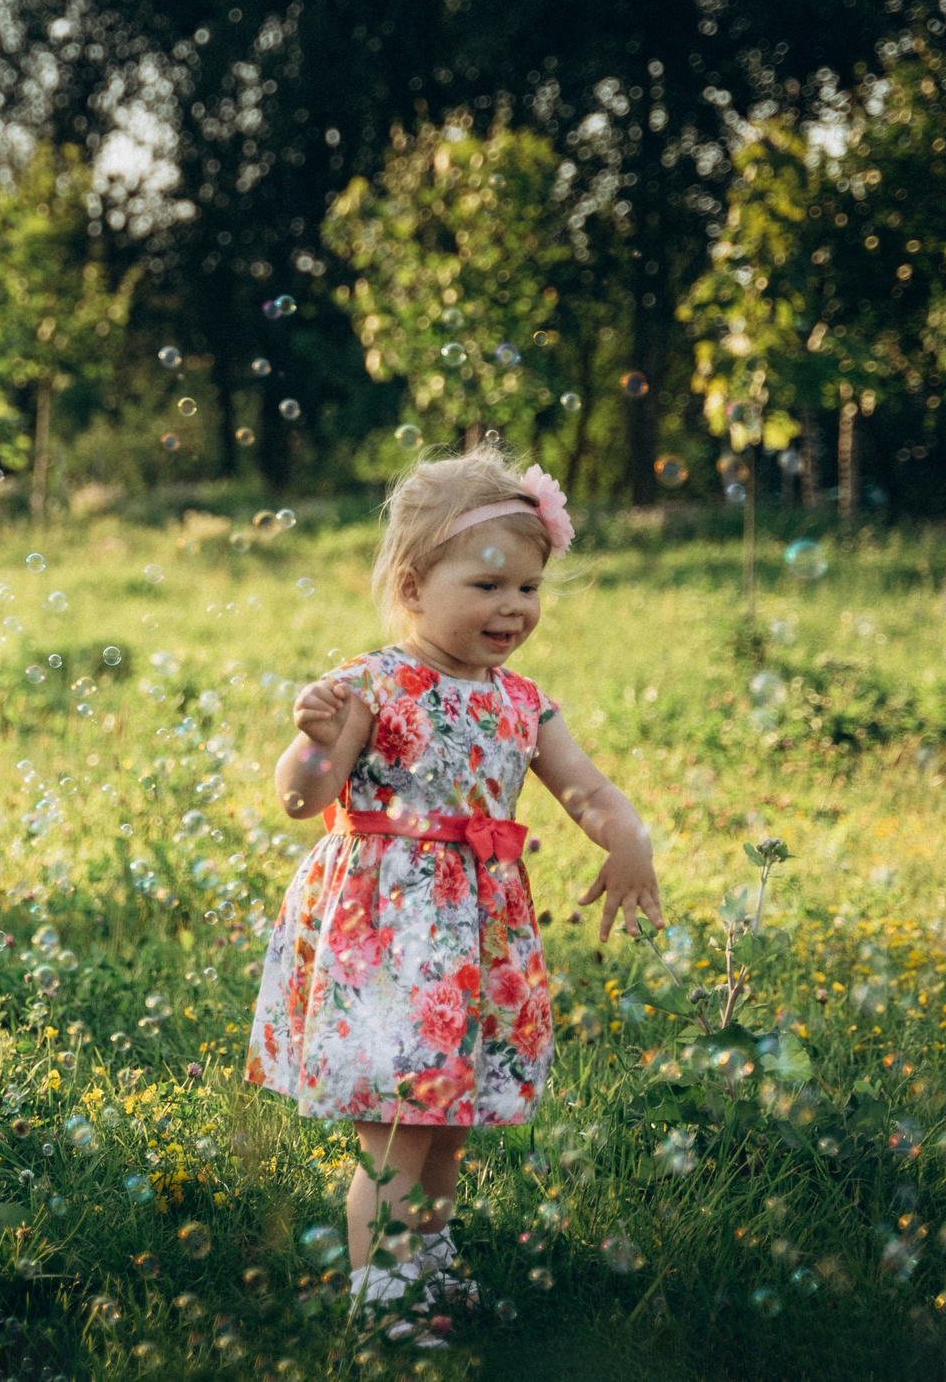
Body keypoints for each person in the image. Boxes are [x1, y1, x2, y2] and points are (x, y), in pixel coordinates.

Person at [244, 450, 665, 1325]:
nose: (513, 606)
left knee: (448, 1134)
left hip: (475, 941)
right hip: (388, 941)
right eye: (487, 584)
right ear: (411, 583)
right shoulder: (369, 686)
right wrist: (313, 743)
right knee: (398, 1132)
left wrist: (626, 833)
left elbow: (583, 785)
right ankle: (383, 1300)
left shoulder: (522, 702)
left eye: (530, 587)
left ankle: (428, 1267)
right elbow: (302, 800)